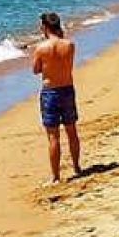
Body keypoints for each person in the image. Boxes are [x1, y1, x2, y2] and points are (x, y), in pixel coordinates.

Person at [32, 12, 82, 184]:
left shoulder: (41, 48)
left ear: (45, 27)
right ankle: (76, 166)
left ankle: (55, 177)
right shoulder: (70, 45)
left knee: (53, 137)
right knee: (72, 131)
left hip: (50, 92)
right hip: (67, 89)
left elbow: (36, 69)